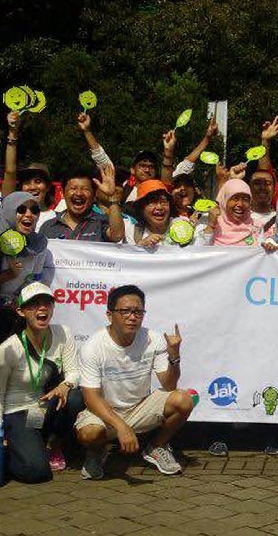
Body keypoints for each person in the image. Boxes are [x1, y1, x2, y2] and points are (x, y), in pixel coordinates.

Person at [74, 285, 193, 479]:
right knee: (89, 434)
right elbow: (91, 398)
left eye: (138, 311)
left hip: (139, 408)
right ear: (109, 315)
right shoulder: (93, 347)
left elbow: (169, 386)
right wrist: (121, 426)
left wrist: (174, 356)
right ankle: (97, 452)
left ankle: (156, 447)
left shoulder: (153, 339)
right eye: (125, 311)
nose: (132, 316)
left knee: (183, 400)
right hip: (105, 412)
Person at [0, 282, 84, 483]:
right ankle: (15, 448)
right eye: (33, 304)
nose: (42, 308)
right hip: (18, 413)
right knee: (37, 472)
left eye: (47, 303)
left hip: (46, 407)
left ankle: (54, 445)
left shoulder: (63, 332)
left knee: (75, 397)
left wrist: (66, 385)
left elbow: (74, 371)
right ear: (21, 311)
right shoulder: (8, 349)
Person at [0, 192, 51, 342]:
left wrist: (21, 300)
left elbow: (34, 279)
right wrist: (9, 274)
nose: (28, 215)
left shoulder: (39, 244)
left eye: (34, 210)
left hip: (18, 313)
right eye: (21, 209)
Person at [39, 166, 125, 243]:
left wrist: (112, 196)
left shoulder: (102, 222)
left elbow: (117, 236)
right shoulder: (48, 226)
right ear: (62, 193)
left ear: (93, 195)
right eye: (73, 188)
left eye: (85, 189)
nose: (79, 193)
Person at [2, 112, 58, 230]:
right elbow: (10, 171)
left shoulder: (59, 221)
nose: (32, 187)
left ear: (48, 186)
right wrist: (12, 133)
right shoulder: (10, 213)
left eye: (38, 181)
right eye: (27, 182)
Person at [201, 179, 270, 247]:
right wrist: (210, 226)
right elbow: (197, 253)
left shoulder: (256, 227)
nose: (240, 204)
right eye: (235, 198)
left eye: (245, 199)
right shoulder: (208, 224)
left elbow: (262, 254)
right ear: (225, 200)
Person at [124, 180, 179, 247]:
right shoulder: (132, 231)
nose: (159, 207)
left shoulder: (181, 225)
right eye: (153, 202)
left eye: (163, 202)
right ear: (141, 208)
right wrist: (141, 246)